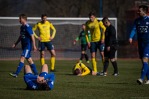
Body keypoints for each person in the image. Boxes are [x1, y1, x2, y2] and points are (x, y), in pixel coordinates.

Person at [129, 5, 149, 84]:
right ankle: (148, 79)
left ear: (144, 12)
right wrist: (130, 37)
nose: (138, 12)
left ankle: (141, 78)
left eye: (139, 11)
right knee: (144, 62)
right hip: (140, 43)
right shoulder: (137, 20)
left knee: (145, 59)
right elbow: (134, 29)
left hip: (148, 43)